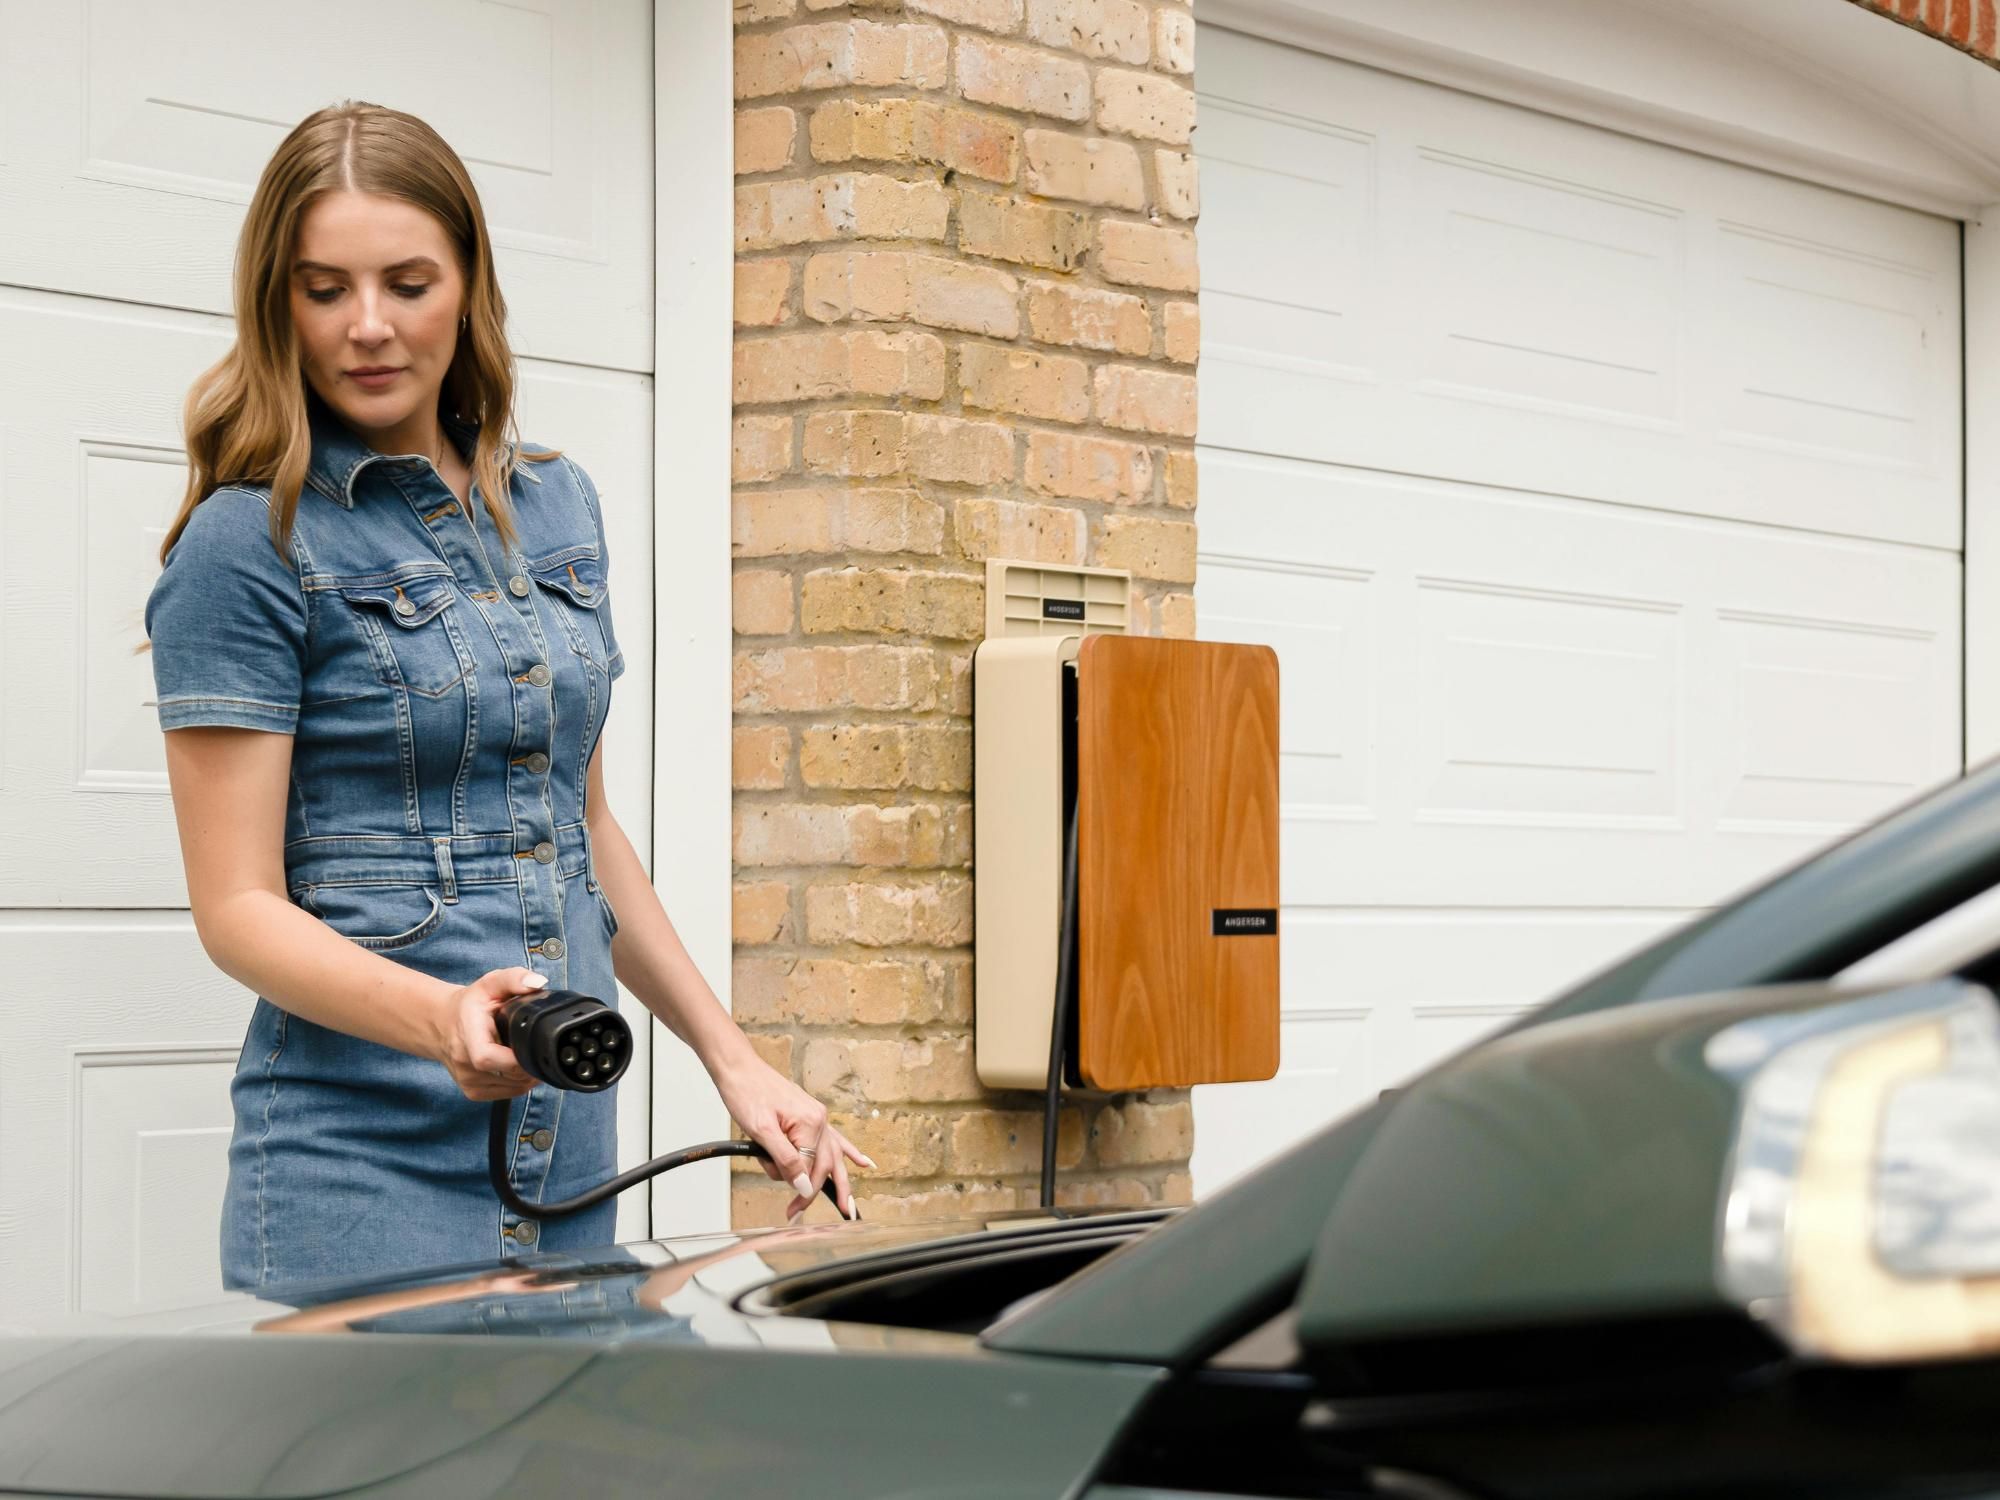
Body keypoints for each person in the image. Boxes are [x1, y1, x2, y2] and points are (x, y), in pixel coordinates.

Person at [141, 101, 869, 1292]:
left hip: (569, 1153)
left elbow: (581, 834)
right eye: (324, 290)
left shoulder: (556, 505)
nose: (367, 327)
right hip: (357, 1169)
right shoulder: (249, 544)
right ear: (278, 303)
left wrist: (735, 1064)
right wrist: (442, 1022)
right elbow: (237, 910)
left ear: (469, 286)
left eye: (408, 282)